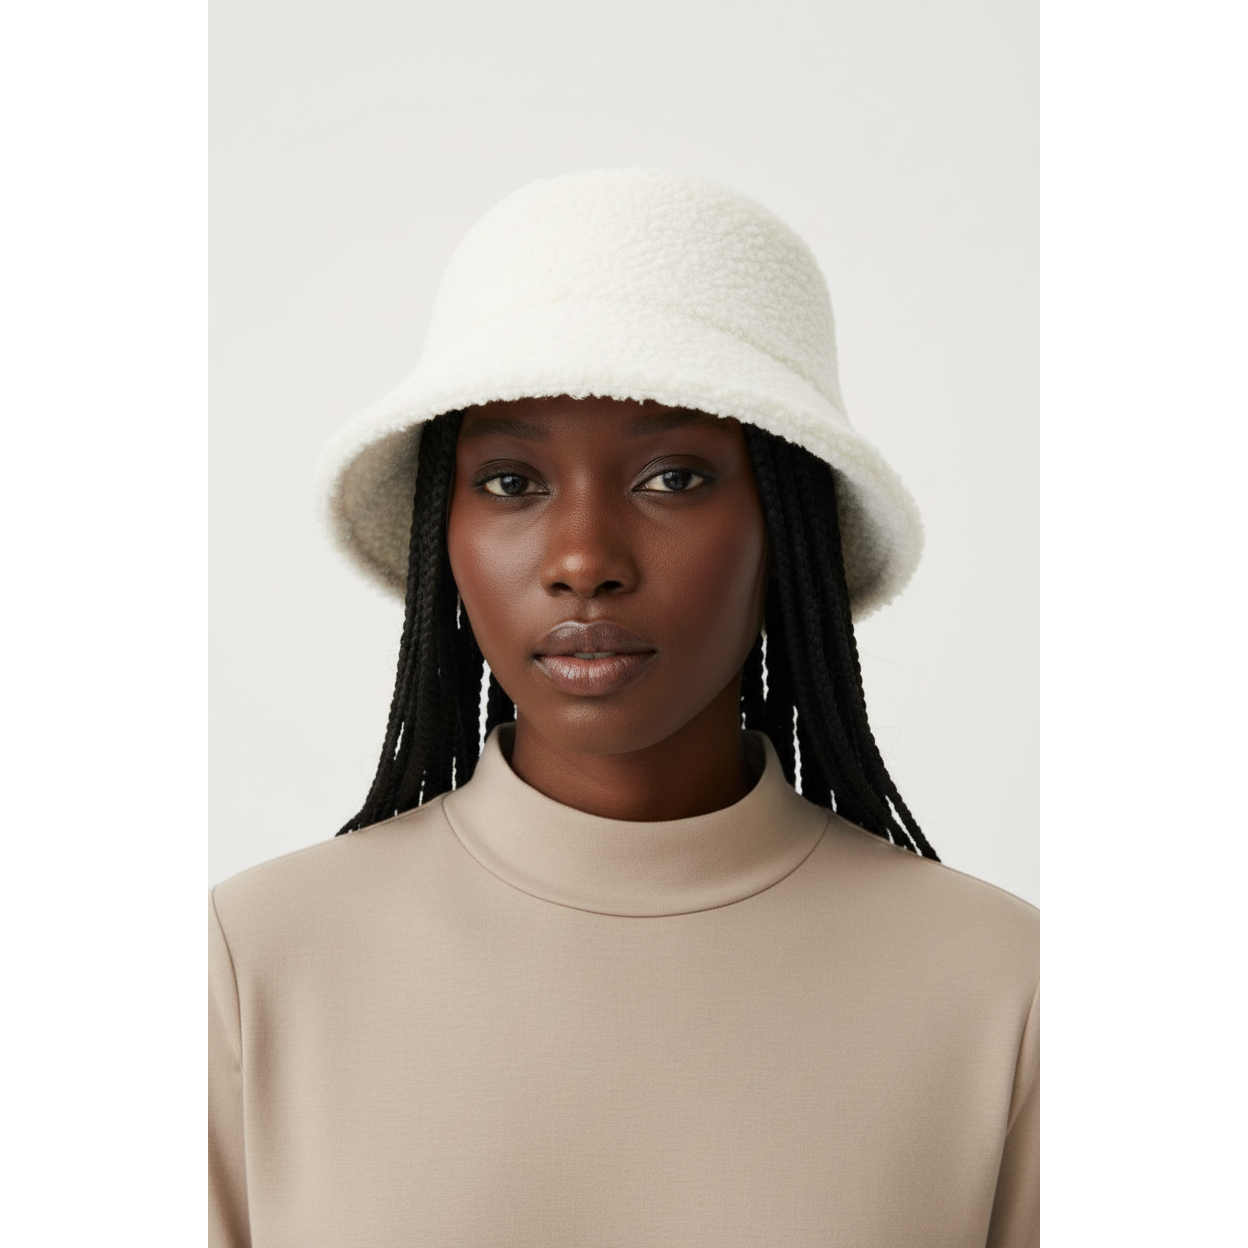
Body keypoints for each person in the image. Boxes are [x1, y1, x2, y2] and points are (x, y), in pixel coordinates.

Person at [209, 169, 1038, 1247]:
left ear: (788, 525)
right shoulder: (251, 967)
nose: (583, 560)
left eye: (674, 477)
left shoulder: (1006, 989)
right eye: (511, 481)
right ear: (442, 530)